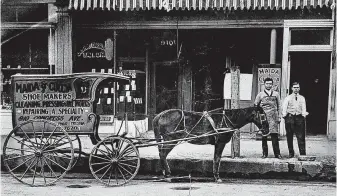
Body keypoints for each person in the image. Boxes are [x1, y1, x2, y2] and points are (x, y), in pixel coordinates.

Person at [254, 78, 282, 159]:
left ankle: (277, 154)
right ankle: (264, 154)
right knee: (264, 135)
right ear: (264, 84)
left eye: (270, 84)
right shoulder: (260, 94)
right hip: (264, 117)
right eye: (267, 83)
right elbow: (256, 105)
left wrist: (279, 116)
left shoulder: (276, 94)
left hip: (274, 116)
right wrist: (259, 116)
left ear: (272, 85)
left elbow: (279, 106)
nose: (269, 85)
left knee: (274, 136)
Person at [282, 82, 308, 158]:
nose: (296, 89)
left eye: (297, 87)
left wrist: (303, 115)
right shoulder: (288, 98)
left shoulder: (302, 98)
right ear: (292, 88)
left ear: (299, 88)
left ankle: (302, 154)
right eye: (294, 87)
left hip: (299, 118)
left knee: (301, 136)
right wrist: (285, 116)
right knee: (289, 136)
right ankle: (291, 153)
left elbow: (304, 108)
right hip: (290, 118)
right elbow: (284, 108)